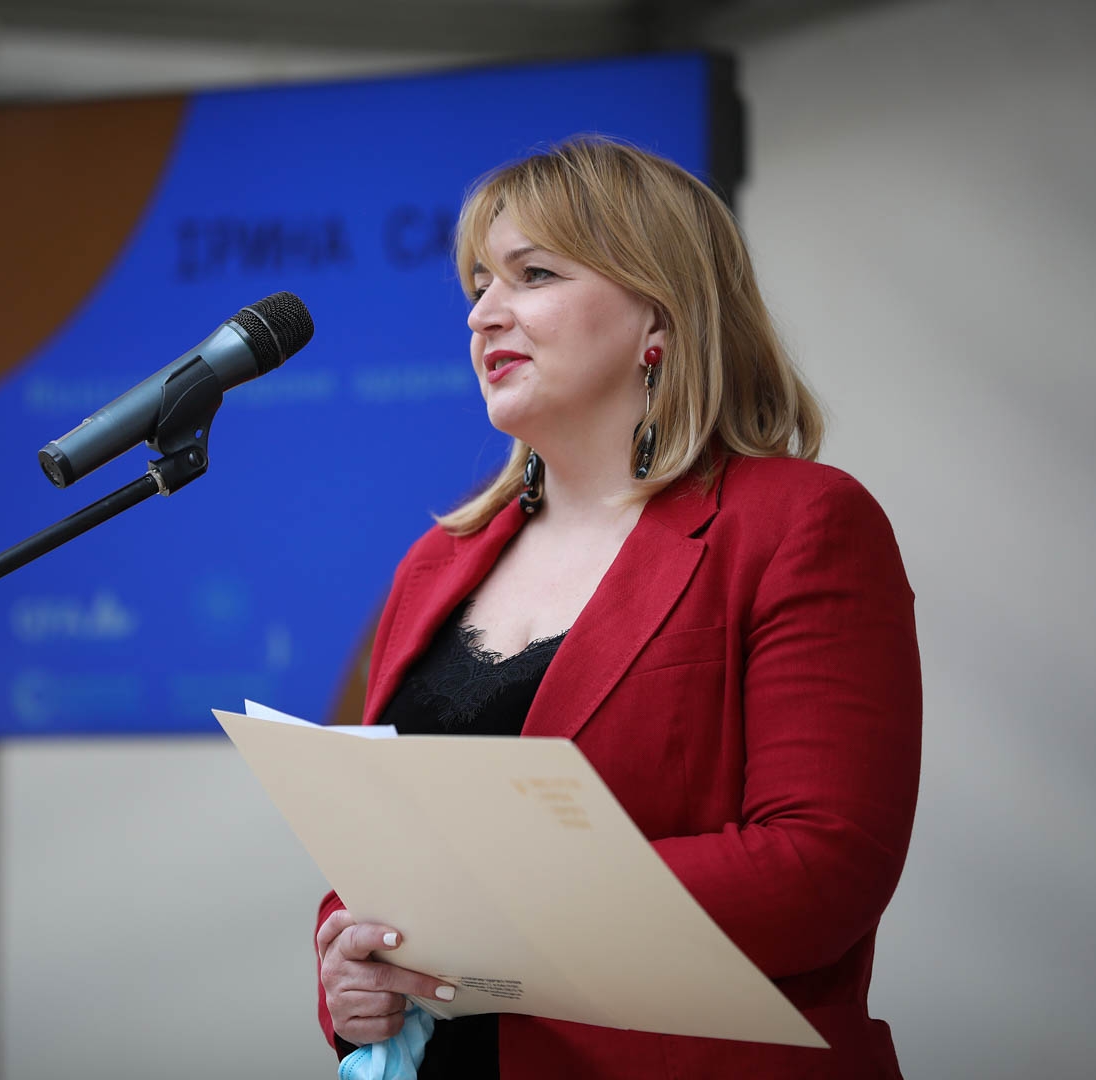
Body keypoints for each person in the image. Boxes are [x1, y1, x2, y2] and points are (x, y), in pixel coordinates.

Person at [313, 136, 921, 1079]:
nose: (483, 313)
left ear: (659, 318)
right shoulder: (436, 564)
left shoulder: (799, 523)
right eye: (478, 283)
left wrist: (497, 910)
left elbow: (821, 869)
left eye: (533, 275)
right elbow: (381, 855)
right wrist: (351, 972)